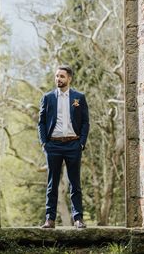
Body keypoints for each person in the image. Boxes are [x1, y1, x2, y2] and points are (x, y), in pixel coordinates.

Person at [38, 65, 90, 229]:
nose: (58, 79)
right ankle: (49, 219)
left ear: (69, 78)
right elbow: (41, 122)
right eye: (56, 76)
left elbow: (85, 122)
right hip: (53, 145)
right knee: (52, 183)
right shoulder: (48, 97)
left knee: (75, 183)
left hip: (73, 144)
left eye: (62, 76)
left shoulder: (78, 97)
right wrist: (44, 143)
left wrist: (81, 142)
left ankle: (78, 219)